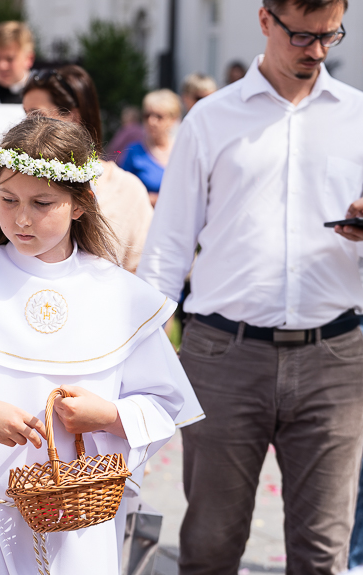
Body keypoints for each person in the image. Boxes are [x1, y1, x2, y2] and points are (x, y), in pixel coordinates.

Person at [0, 115, 198, 574]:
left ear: (80, 204)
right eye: (8, 199)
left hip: (80, 522)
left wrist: (110, 415)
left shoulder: (120, 295)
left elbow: (166, 402)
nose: (21, 218)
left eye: (42, 202)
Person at [137, 0, 363, 572]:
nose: (315, 50)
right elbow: (168, 246)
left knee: (322, 554)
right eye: (302, 36)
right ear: (266, 21)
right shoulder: (209, 120)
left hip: (335, 358)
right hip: (223, 356)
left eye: (329, 36)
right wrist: (136, 353)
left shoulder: (359, 119)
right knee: (211, 546)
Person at [23, 66, 153, 272]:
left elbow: (142, 269)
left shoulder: (126, 189)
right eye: (26, 115)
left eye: (36, 115)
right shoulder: (17, 182)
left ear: (72, 116)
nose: (27, 125)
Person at [120, 89, 182, 206]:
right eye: (147, 115)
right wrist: (149, 199)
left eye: (159, 116)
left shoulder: (182, 150)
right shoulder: (134, 151)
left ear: (173, 119)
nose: (151, 121)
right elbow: (123, 191)